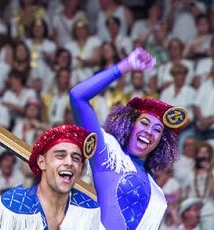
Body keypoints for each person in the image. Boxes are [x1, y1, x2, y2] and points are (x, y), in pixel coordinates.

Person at [70, 47, 188, 230]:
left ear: (161, 142)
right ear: (129, 124)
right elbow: (78, 97)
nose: (149, 131)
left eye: (157, 130)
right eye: (144, 123)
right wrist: (125, 66)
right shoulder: (108, 153)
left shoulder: (154, 184)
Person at [0, 125, 100, 229]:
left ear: (80, 167)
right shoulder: (14, 206)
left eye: (75, 158)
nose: (69, 162)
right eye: (60, 155)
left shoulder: (88, 210)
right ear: (42, 162)